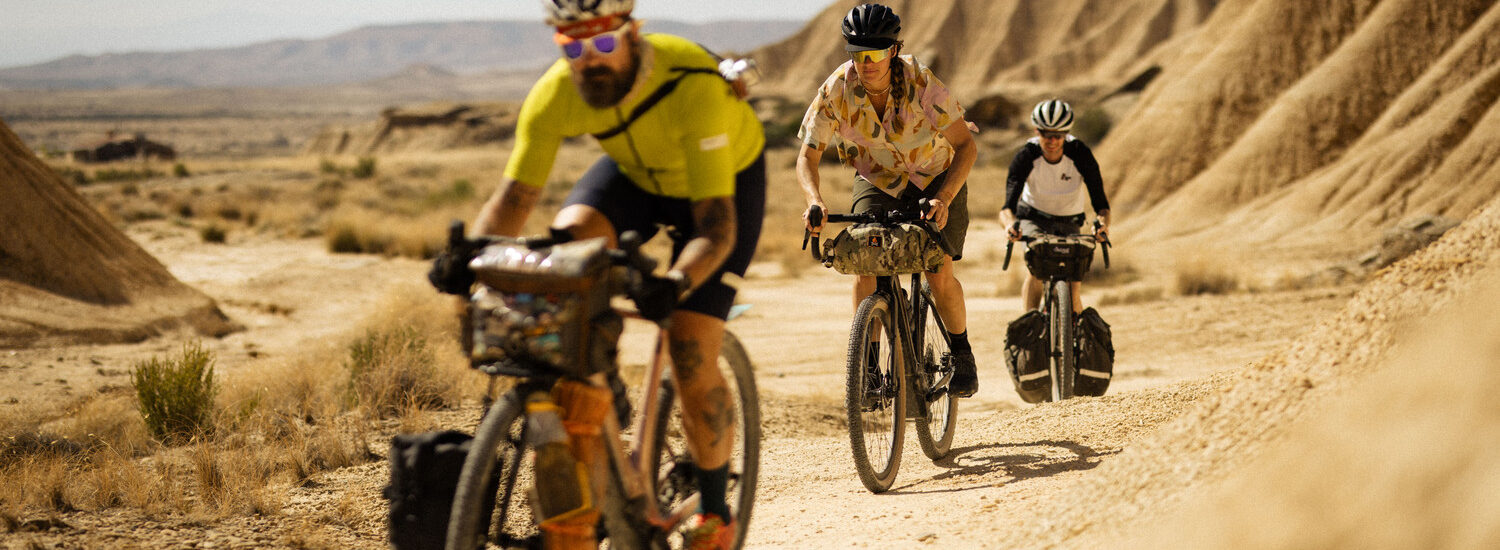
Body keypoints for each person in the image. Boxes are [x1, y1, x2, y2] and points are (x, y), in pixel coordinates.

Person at [457, 1, 765, 547]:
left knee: (690, 347)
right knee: (566, 254)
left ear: (633, 35)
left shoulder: (692, 84)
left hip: (721, 188)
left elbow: (716, 228)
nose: (589, 59)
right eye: (573, 46)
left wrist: (674, 284)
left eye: (603, 43)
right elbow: (514, 199)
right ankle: (603, 391)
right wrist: (470, 259)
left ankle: (716, 514)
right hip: (636, 177)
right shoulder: (556, 93)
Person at [797, 3, 980, 397]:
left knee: (937, 271)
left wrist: (944, 198)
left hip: (935, 175)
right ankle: (867, 366)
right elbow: (807, 156)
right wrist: (815, 200)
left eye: (876, 54)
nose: (867, 64)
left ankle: (962, 352)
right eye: (858, 54)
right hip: (878, 179)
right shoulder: (836, 89)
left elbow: (966, 146)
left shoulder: (920, 80)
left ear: (894, 51)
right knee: (866, 260)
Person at [998, 99, 1112, 314]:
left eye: (1058, 135)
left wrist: (1102, 225)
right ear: (1036, 131)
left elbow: (1102, 206)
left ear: (1066, 134)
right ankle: (1030, 322)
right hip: (1033, 218)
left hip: (1070, 221)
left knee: (1073, 287)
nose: (1051, 140)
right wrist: (1010, 226)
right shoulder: (1026, 156)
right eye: (1045, 134)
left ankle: (1073, 328)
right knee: (1036, 270)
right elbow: (1007, 208)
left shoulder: (1080, 154)